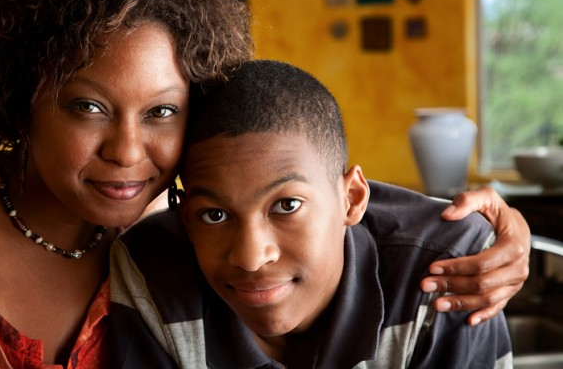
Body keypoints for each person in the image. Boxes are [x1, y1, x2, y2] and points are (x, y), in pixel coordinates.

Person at [0, 0, 526, 367]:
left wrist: (484, 237)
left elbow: (308, 200)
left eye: (162, 113)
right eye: (87, 108)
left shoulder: (183, 223)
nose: (128, 152)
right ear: (22, 101)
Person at [108, 60, 513, 368]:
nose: (251, 257)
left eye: (286, 206)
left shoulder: (449, 270)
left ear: (351, 199)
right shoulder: (151, 274)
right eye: (214, 215)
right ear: (185, 218)